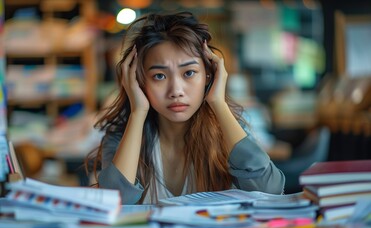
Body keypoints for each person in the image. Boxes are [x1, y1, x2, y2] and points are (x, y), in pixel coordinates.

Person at [87, 11, 285, 204]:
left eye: (189, 73)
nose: (176, 90)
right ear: (139, 82)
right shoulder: (121, 136)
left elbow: (270, 191)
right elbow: (114, 203)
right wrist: (137, 113)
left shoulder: (226, 133)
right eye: (159, 76)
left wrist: (218, 103)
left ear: (209, 74)